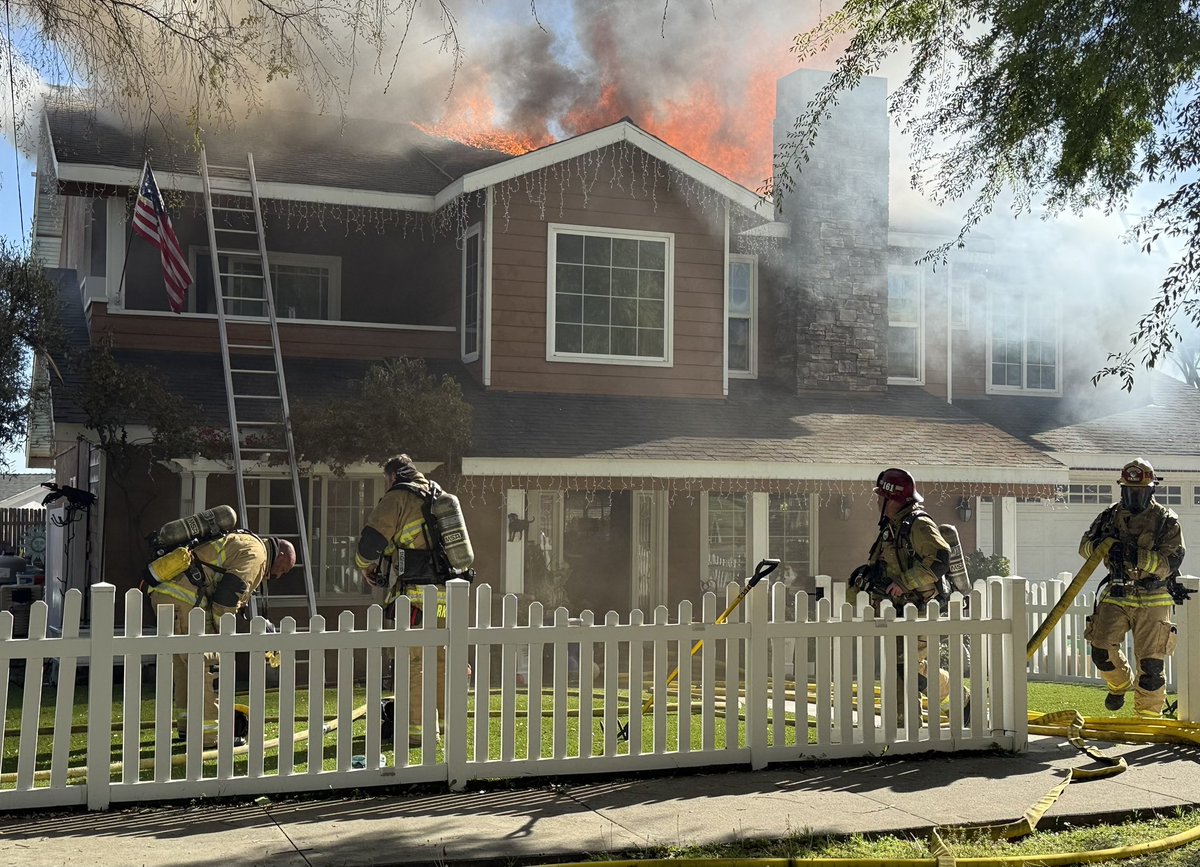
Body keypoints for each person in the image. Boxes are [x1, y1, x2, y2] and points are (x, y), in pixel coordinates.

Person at [142, 522, 296, 747]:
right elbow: (225, 603)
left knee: (186, 665)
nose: (280, 575)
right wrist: (223, 638)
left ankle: (187, 728)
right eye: (285, 568)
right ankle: (208, 736)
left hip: (165, 594)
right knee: (207, 666)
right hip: (186, 599)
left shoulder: (243, 542)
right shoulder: (257, 555)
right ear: (280, 554)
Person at [851, 468, 970, 724]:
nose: (875, 500)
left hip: (922, 608)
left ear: (891, 499)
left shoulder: (919, 524)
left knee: (908, 667)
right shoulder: (891, 527)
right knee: (900, 668)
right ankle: (906, 722)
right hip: (898, 610)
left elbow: (940, 560)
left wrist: (904, 583)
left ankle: (957, 699)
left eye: (879, 496)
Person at [1081, 458, 1186, 718]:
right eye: (1129, 491)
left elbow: (1170, 563)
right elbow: (1084, 546)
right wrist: (1103, 546)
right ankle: (1119, 684)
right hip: (1116, 592)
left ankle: (1148, 722)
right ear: (1122, 490)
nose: (1133, 496)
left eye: (1139, 491)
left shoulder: (1166, 521)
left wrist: (1132, 555)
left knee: (1151, 666)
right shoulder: (1109, 516)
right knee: (1101, 650)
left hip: (1154, 597)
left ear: (1151, 490)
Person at [355, 454, 447, 748]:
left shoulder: (399, 497)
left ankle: (417, 732)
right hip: (446, 595)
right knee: (441, 657)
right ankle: (443, 723)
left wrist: (363, 566)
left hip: (415, 596)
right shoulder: (437, 495)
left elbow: (371, 541)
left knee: (414, 660)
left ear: (393, 476)